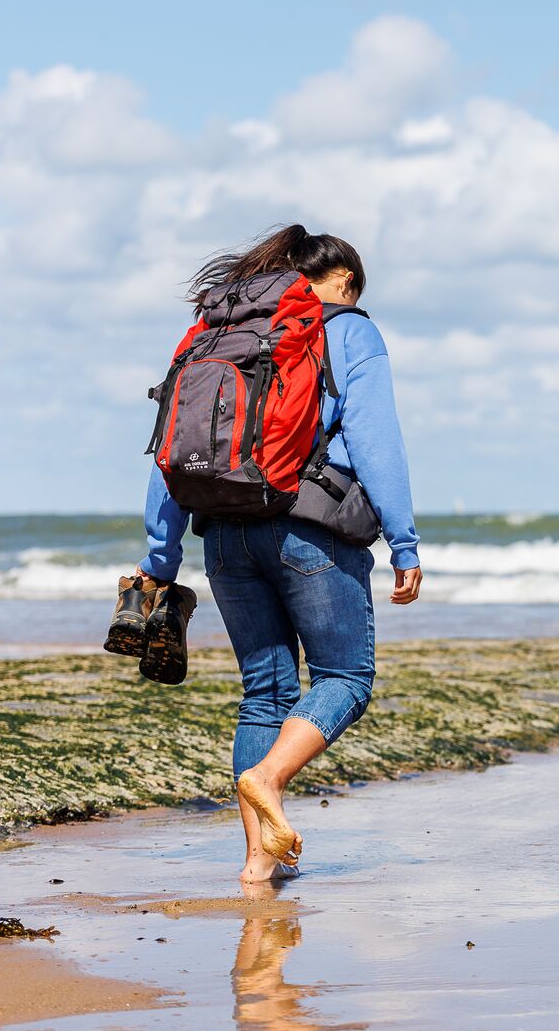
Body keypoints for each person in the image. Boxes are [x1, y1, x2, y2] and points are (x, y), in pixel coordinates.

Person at [131, 224, 422, 885]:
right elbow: (377, 441)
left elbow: (173, 451)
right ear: (344, 279)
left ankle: (258, 868)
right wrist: (403, 543)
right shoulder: (350, 330)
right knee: (346, 677)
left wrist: (161, 557)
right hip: (308, 531)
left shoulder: (219, 338)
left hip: (224, 532)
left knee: (264, 694)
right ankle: (268, 776)